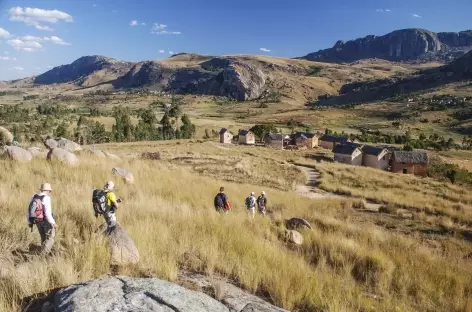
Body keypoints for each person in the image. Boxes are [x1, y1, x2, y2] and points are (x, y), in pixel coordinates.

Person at [27, 183, 56, 255]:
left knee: (43, 237)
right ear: (47, 190)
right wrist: (53, 223)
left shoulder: (33, 196)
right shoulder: (46, 198)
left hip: (37, 220)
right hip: (46, 221)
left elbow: (29, 209)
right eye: (49, 191)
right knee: (50, 237)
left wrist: (29, 221)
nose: (50, 192)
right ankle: (43, 254)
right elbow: (47, 213)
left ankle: (42, 252)